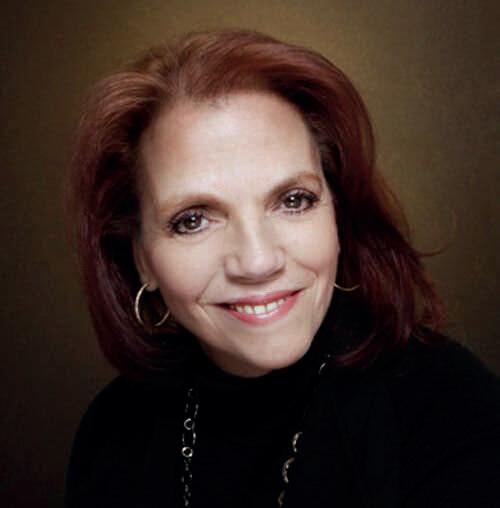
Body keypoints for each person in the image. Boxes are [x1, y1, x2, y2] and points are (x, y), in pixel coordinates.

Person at [65, 30, 500, 507]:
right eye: (193, 220)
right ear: (142, 257)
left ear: (337, 213)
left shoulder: (449, 407)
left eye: (294, 200)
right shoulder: (111, 434)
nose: (258, 262)